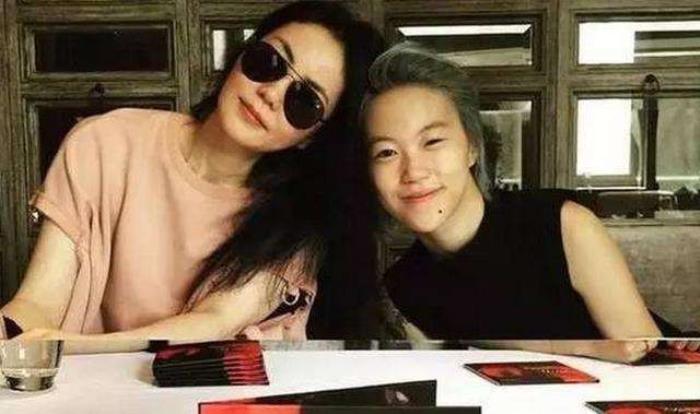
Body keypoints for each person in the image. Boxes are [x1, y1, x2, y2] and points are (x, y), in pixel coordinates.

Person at [0, 1, 386, 350]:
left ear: (313, 136)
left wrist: (61, 349)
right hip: (79, 388)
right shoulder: (104, 142)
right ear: (241, 54)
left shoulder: (298, 222)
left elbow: (212, 323)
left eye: (304, 101)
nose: (270, 93)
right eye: (269, 62)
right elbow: (38, 301)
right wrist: (13, 338)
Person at [359, 43, 698, 362]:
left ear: (472, 146)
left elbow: (648, 360)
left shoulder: (560, 225)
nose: (413, 171)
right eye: (386, 152)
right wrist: (583, 347)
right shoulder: (406, 284)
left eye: (432, 141)